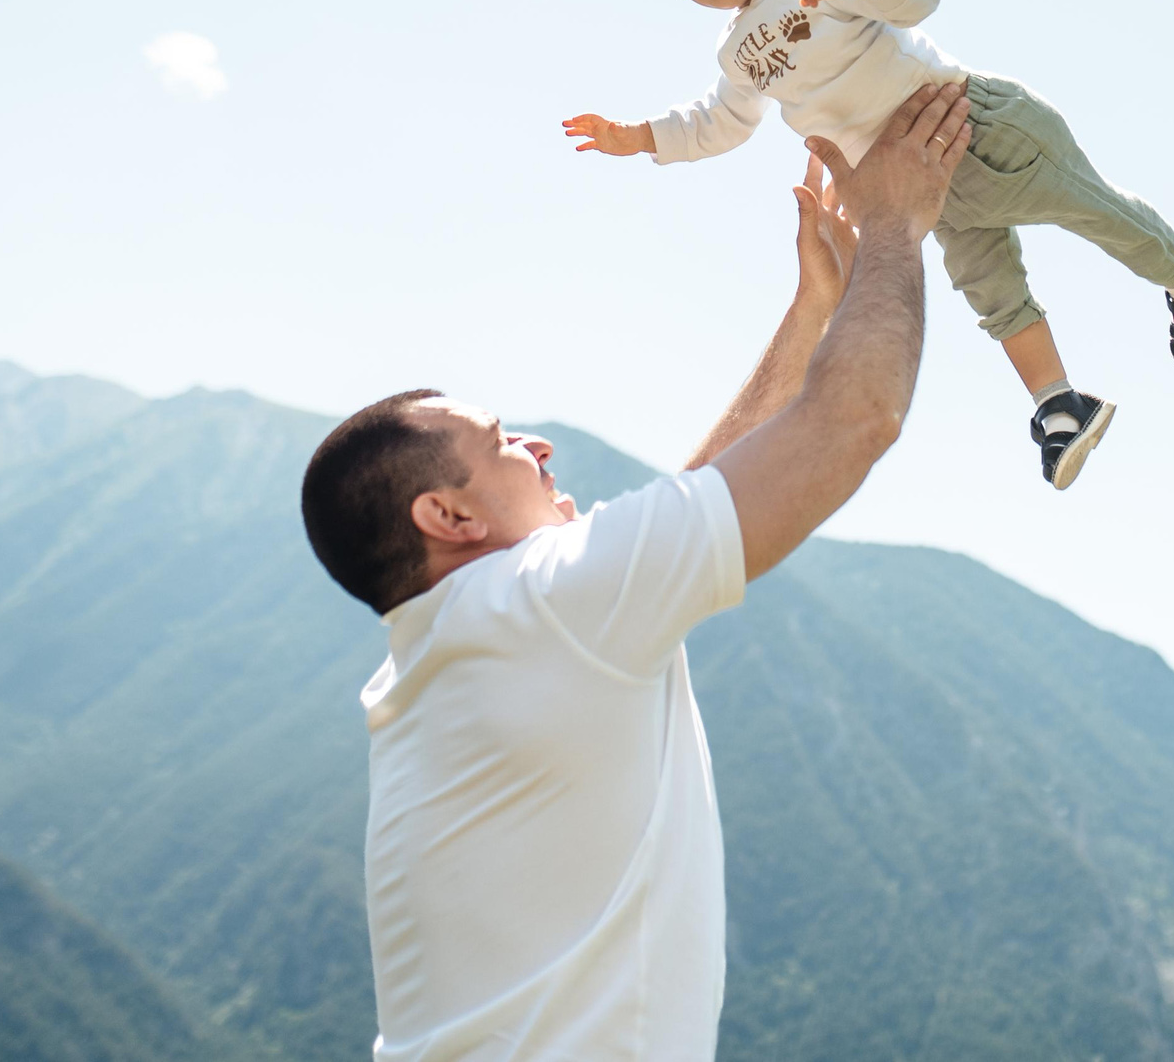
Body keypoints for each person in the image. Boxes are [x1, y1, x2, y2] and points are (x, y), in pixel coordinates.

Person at [300, 83, 973, 1062]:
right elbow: (854, 420)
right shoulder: (541, 607)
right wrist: (896, 222)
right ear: (448, 515)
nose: (536, 444)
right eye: (500, 441)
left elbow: (686, 514)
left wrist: (811, 315)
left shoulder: (459, 641)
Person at [562, 0, 1174, 490]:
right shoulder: (738, 51)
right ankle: (1059, 405)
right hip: (921, 186)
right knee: (990, 291)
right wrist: (642, 136)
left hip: (975, 123)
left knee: (1092, 209)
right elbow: (720, 121)